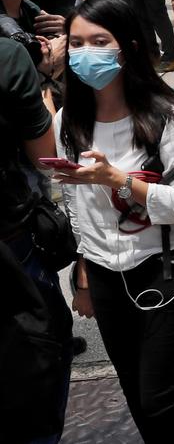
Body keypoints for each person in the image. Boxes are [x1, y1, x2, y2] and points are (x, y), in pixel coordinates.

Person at [55, 0, 174, 444]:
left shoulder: (169, 114)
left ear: (129, 47)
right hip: (103, 269)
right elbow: (74, 203)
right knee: (133, 392)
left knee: (157, 394)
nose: (86, 53)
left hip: (167, 265)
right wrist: (83, 273)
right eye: (76, 43)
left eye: (99, 41)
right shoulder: (69, 120)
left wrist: (117, 179)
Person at [0, 30, 72, 444]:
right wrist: (46, 81)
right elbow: (45, 154)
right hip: (11, 243)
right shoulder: (8, 57)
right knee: (40, 356)